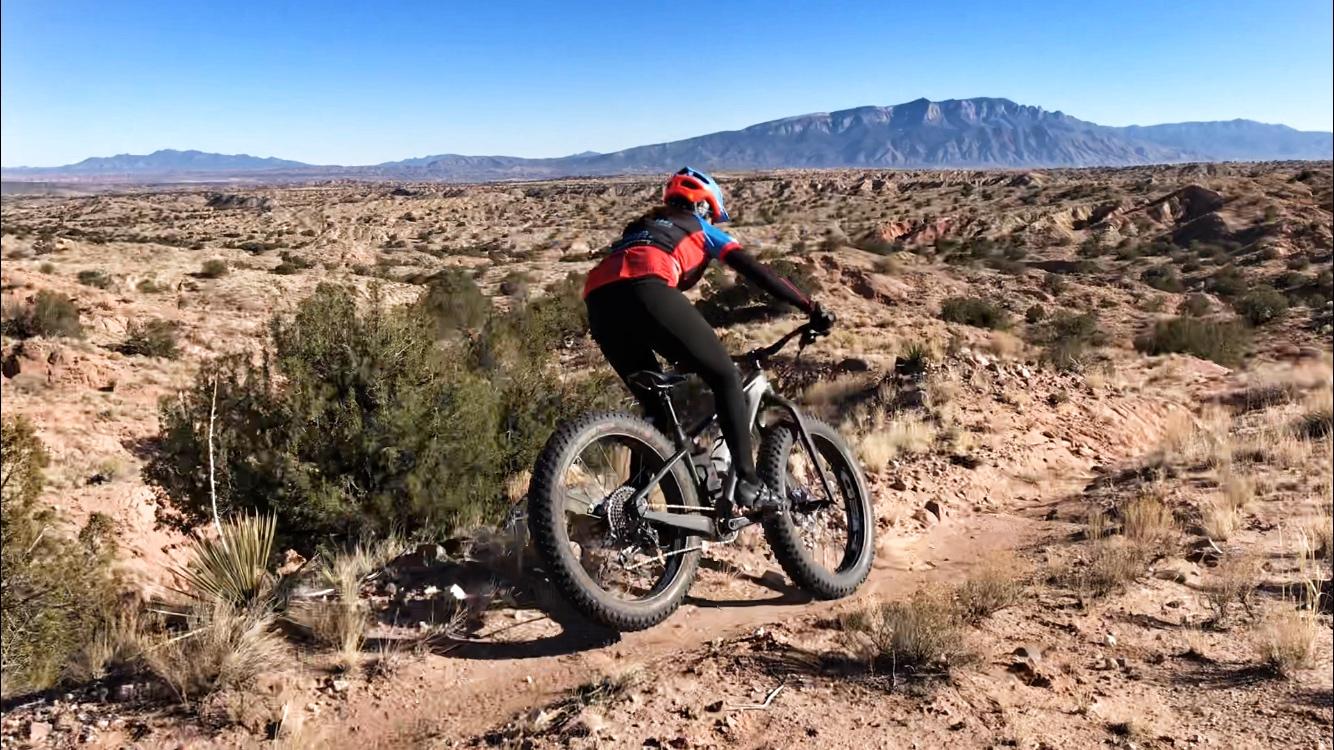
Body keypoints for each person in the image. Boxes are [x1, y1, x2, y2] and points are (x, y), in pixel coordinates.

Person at [583, 166, 834, 513]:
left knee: (655, 411)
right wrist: (809, 306)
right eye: (711, 213)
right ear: (703, 207)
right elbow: (758, 272)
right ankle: (747, 483)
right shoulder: (701, 230)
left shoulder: (640, 227)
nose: (710, 218)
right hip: (647, 289)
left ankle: (633, 503)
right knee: (726, 376)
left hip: (598, 301)